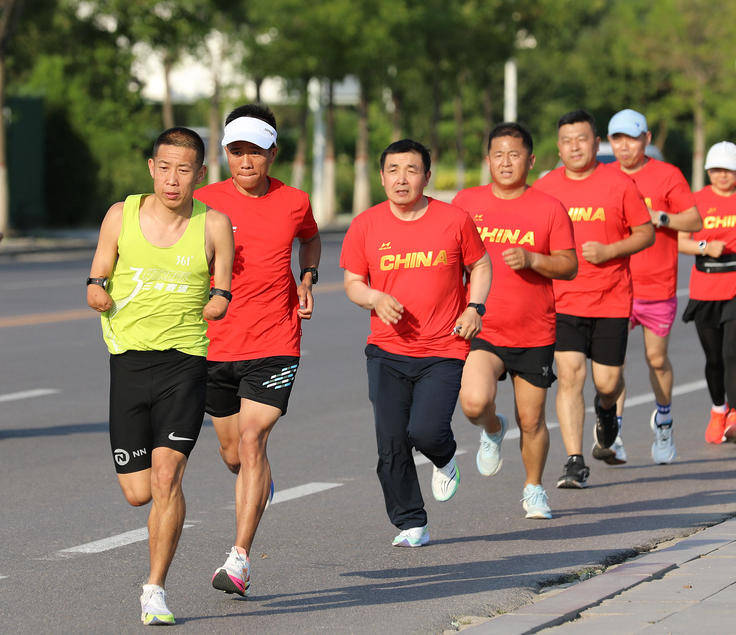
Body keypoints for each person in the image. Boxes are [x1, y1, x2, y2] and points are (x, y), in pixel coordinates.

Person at [86, 127, 234, 625]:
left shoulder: (214, 224)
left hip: (185, 363)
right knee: (139, 491)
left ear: (200, 174)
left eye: (184, 169)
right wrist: (96, 291)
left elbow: (224, 287)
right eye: (165, 168)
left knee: (167, 475)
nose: (173, 179)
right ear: (152, 168)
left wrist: (217, 301)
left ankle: (155, 589)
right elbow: (98, 272)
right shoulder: (119, 215)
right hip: (128, 362)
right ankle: (166, 506)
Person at [193, 104, 321, 596]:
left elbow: (310, 240)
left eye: (255, 151)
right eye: (236, 151)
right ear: (226, 153)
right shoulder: (202, 201)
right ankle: (257, 482)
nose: (245, 161)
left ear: (272, 153)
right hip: (214, 343)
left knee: (252, 442)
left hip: (275, 339)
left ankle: (239, 558)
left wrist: (308, 277)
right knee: (232, 454)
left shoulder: (294, 200)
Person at [341, 139, 492, 546]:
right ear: (382, 176)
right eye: (393, 170)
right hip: (387, 350)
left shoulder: (454, 219)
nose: (401, 178)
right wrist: (375, 297)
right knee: (390, 441)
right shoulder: (366, 224)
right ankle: (411, 521)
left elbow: (479, 264)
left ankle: (443, 458)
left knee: (425, 431)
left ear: (426, 176)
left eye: (411, 170)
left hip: (444, 346)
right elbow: (353, 282)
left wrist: (475, 306)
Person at [454, 123, 577, 519]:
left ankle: (533, 488)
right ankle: (492, 428)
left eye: (515, 154)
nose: (506, 162)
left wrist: (533, 259)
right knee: (474, 403)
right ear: (488, 159)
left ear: (531, 160)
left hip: (533, 330)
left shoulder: (548, 207)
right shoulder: (465, 203)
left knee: (532, 419)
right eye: (499, 155)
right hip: (483, 329)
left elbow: (569, 265)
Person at [532, 109, 654, 488]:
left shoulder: (619, 184)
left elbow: (646, 233)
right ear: (559, 146)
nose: (574, 147)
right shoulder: (545, 187)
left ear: (595, 143)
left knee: (606, 382)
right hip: (562, 300)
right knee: (569, 376)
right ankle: (574, 460)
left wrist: (611, 250)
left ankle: (606, 412)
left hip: (610, 299)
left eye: (581, 139)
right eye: (567, 141)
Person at [606, 109, 702, 466]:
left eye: (631, 138)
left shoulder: (667, 175)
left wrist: (660, 218)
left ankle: (664, 420)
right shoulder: (604, 176)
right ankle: (612, 432)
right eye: (617, 138)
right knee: (611, 364)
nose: (624, 146)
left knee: (656, 358)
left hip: (657, 284)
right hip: (615, 285)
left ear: (646, 139)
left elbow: (694, 218)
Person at [678, 141, 736, 445]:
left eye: (728, 170)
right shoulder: (695, 201)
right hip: (705, 289)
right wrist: (705, 246)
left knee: (733, 352)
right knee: (714, 357)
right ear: (708, 171)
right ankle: (718, 410)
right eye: (716, 170)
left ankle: (734, 414)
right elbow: (680, 241)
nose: (722, 176)